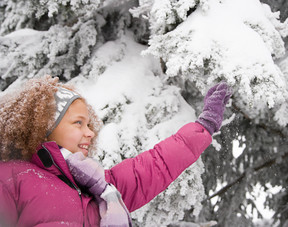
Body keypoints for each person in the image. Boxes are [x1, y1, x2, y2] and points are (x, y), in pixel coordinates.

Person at [0, 75, 232, 227]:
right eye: (78, 123)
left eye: (90, 125)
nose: (90, 133)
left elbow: (154, 165)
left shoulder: (98, 187)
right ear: (44, 126)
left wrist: (204, 126)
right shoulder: (10, 179)